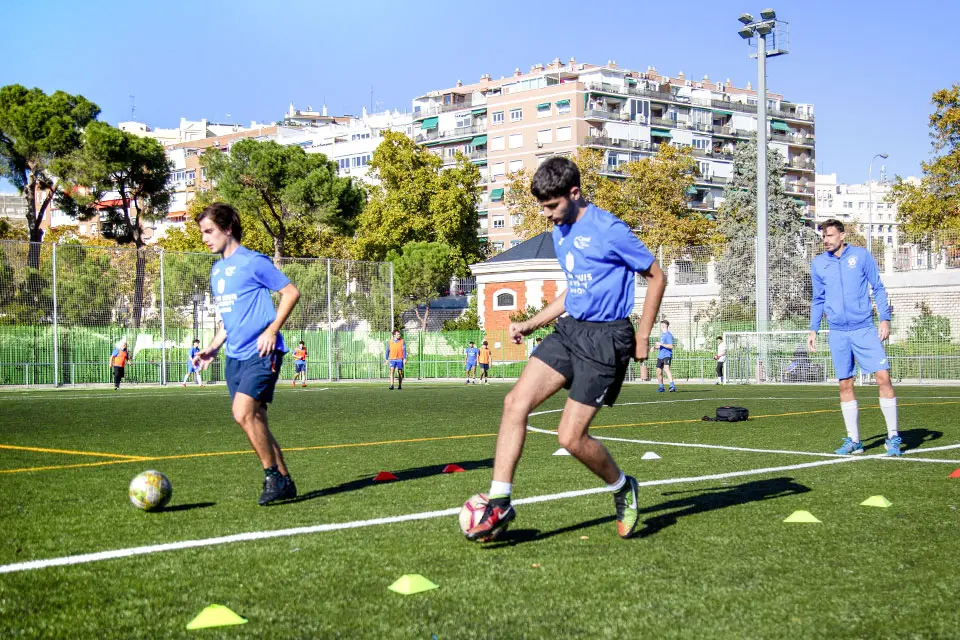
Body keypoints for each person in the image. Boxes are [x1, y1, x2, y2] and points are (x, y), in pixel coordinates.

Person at [464, 156, 667, 542]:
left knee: (569, 438)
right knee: (514, 403)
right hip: (571, 331)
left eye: (553, 205)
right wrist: (531, 322)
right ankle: (500, 499)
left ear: (574, 193)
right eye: (543, 206)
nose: (547, 214)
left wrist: (643, 336)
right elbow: (575, 291)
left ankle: (623, 487)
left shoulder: (610, 230)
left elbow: (657, 276)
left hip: (607, 339)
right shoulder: (560, 229)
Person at [192, 203, 301, 505]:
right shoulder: (217, 270)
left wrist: (272, 330)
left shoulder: (254, 261)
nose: (205, 238)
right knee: (256, 421)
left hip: (262, 352)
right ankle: (285, 481)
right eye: (203, 232)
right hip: (235, 358)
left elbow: (291, 293)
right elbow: (229, 319)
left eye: (209, 231)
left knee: (242, 413)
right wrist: (212, 348)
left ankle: (273, 477)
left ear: (227, 229)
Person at [807, 219, 902, 456]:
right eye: (823, 237)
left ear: (842, 235)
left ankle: (893, 437)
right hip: (838, 332)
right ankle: (854, 441)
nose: (826, 241)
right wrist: (813, 329)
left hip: (864, 328)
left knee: (883, 378)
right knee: (845, 384)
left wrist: (884, 319)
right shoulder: (818, 264)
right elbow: (818, 299)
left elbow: (878, 287)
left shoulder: (860, 256)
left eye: (829, 235)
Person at [655, 319, 676, 392]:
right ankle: (661, 387)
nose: (660, 327)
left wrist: (661, 344)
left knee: (666, 369)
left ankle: (672, 386)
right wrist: (654, 347)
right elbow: (662, 346)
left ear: (664, 326)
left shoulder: (668, 335)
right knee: (658, 371)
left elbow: (671, 346)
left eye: (661, 325)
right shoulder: (662, 335)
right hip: (660, 356)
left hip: (667, 355)